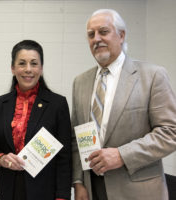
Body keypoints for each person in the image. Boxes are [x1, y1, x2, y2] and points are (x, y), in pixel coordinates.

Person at [71, 9, 176, 200]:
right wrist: (78, 182)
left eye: (103, 32)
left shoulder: (152, 76)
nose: (96, 39)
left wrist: (122, 155)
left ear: (121, 35)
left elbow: (170, 132)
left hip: (138, 191)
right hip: (93, 189)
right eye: (91, 34)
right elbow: (76, 138)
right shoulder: (80, 82)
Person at [0, 40, 71, 200]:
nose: (28, 69)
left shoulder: (57, 104)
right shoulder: (1, 103)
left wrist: (62, 196)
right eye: (22, 63)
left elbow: (64, 157)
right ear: (13, 68)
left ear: (41, 68)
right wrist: (1, 159)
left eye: (34, 63)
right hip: (8, 190)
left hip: (44, 192)